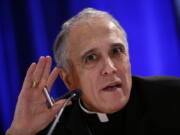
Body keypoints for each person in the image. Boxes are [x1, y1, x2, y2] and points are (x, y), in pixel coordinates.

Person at [6, 8, 180, 135]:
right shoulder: (50, 127)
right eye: (91, 58)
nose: (110, 69)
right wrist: (19, 132)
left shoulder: (173, 97)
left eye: (117, 51)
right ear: (69, 80)